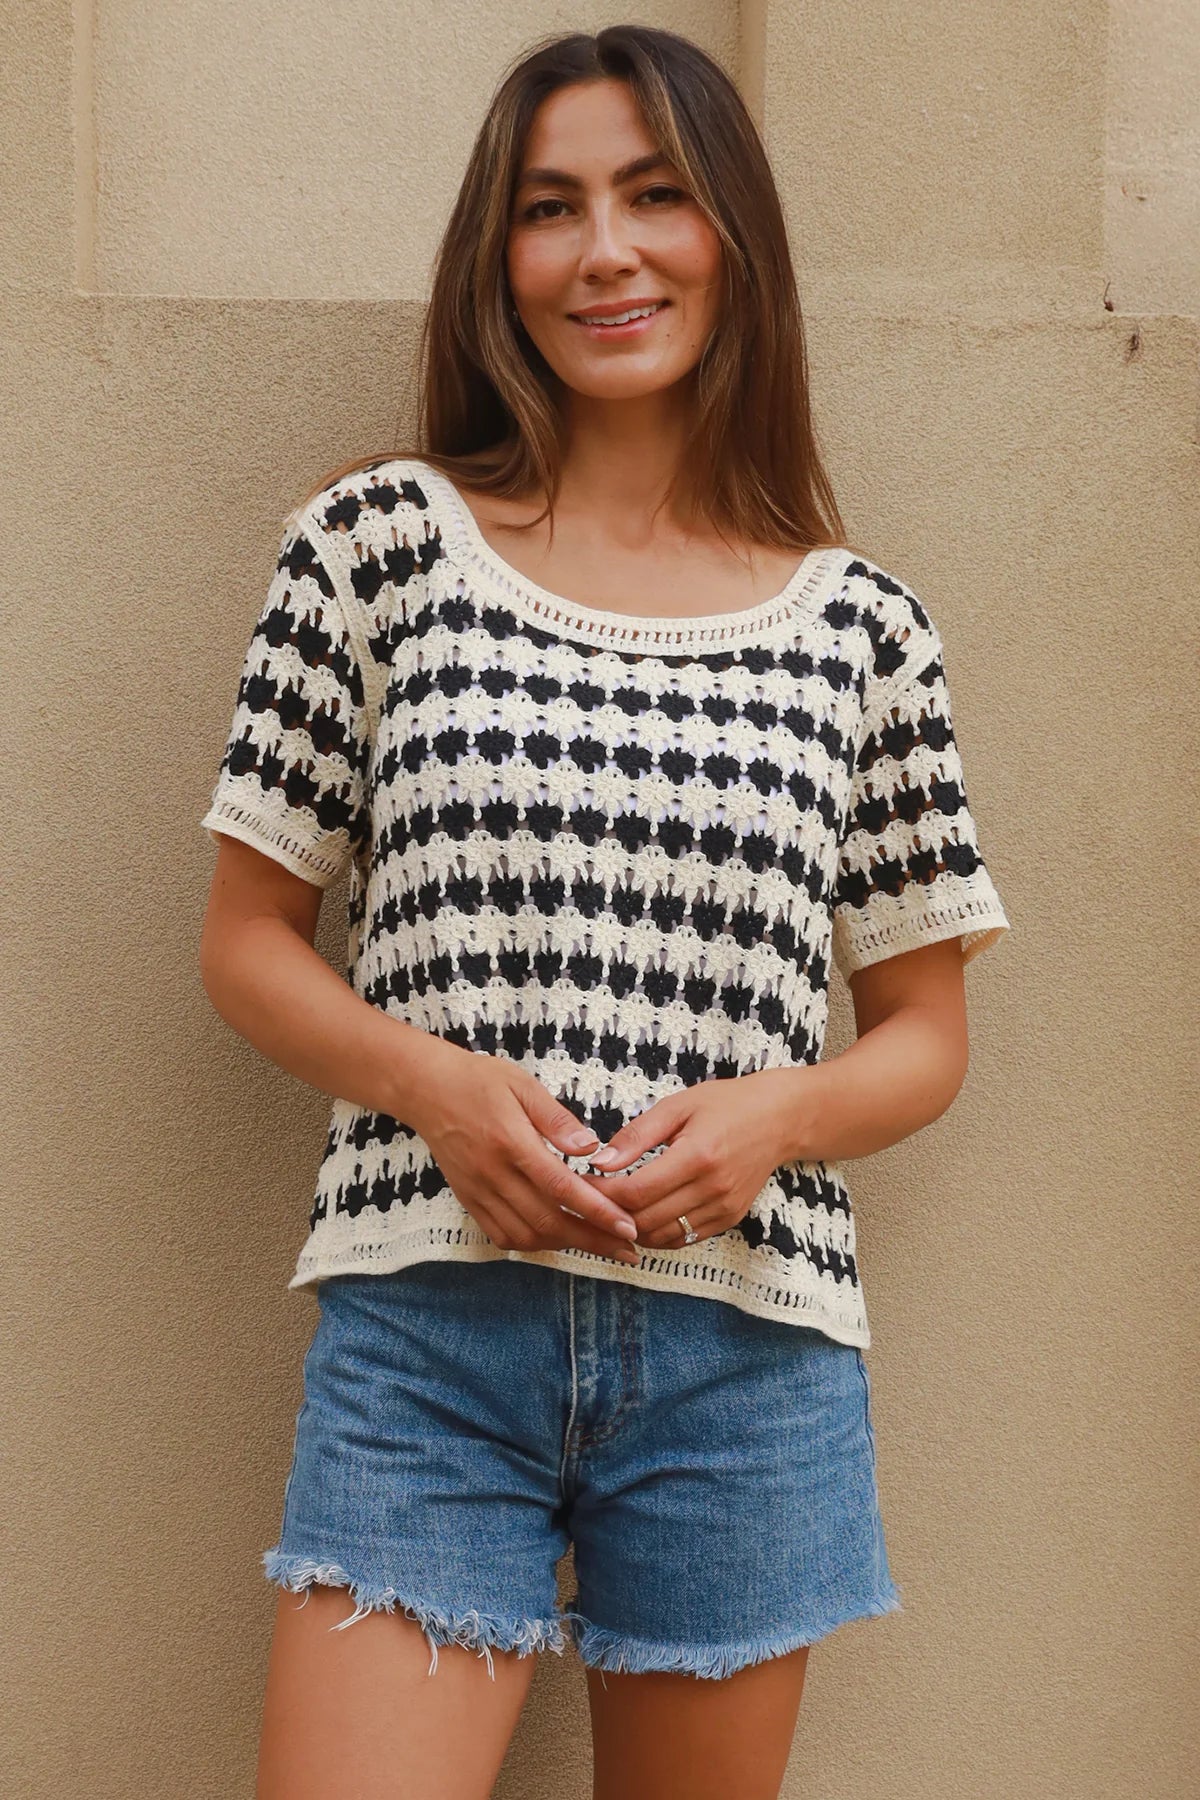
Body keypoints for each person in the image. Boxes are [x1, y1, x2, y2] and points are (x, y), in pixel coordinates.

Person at [198, 24, 1010, 1800]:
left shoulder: (860, 628)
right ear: (501, 259)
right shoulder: (376, 550)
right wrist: (431, 1085)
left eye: (656, 195)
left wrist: (776, 1118)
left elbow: (928, 1036)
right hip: (427, 1335)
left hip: (748, 1349)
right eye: (551, 209)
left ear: (734, 235)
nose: (606, 251)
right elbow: (245, 942)